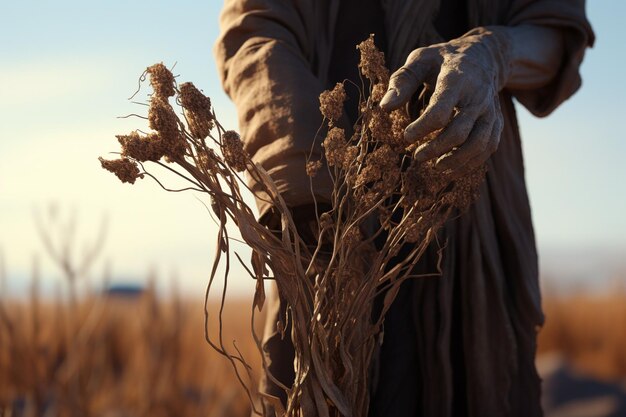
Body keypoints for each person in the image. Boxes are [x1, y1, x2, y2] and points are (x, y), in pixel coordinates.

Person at [215, 1, 594, 416]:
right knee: (318, 384)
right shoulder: (319, 213)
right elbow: (256, 35)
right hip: (327, 220)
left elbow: (554, 33)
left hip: (471, 235)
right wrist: (308, 190)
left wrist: (492, 53)